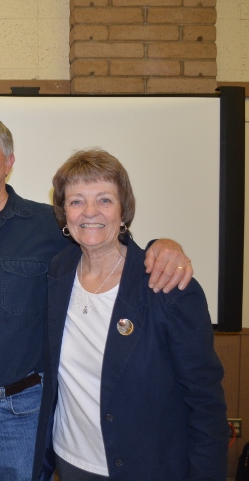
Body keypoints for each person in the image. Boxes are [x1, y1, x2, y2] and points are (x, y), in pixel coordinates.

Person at [0, 114, 193, 480]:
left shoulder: (52, 226)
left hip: (22, 416)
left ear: (9, 163)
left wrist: (163, 246)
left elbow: (109, 245)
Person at [32, 149, 227, 480]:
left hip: (146, 467)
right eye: (77, 201)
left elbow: (205, 402)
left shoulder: (166, 285)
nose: (90, 212)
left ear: (124, 212)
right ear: (64, 215)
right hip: (71, 461)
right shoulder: (58, 271)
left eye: (104, 200)